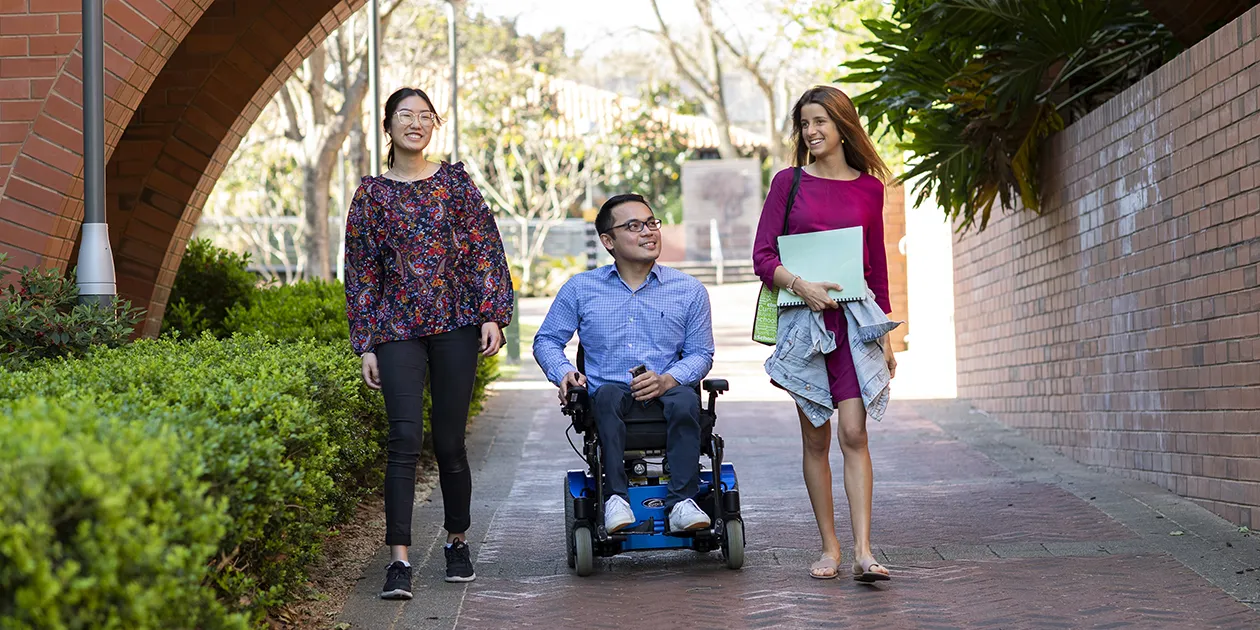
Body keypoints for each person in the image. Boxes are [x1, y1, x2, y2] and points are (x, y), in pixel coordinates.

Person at [344, 87, 513, 599]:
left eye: (424, 116)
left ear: (433, 125)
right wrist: (366, 341)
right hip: (396, 329)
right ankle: (399, 561)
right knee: (402, 440)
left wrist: (493, 313)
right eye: (404, 116)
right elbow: (360, 272)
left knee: (448, 441)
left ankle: (456, 541)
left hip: (457, 322)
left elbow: (485, 245)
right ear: (387, 125)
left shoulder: (455, 183)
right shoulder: (371, 194)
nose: (415, 124)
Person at [752, 85, 898, 583]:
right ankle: (829, 548)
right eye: (805, 124)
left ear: (843, 126)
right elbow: (762, 257)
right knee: (816, 438)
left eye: (820, 122)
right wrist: (802, 286)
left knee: (855, 433)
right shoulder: (787, 183)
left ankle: (863, 550)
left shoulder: (870, 189)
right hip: (805, 325)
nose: (811, 132)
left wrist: (886, 334)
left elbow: (875, 268)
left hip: (856, 324)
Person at [533, 194, 715, 534]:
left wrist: (668, 379)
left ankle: (681, 504)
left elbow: (701, 354)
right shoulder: (581, 289)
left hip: (669, 391)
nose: (648, 232)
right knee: (605, 397)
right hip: (610, 395)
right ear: (608, 240)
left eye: (651, 223)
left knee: (685, 399)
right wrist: (564, 373)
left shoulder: (688, 291)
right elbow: (546, 340)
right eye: (633, 226)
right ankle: (615, 498)